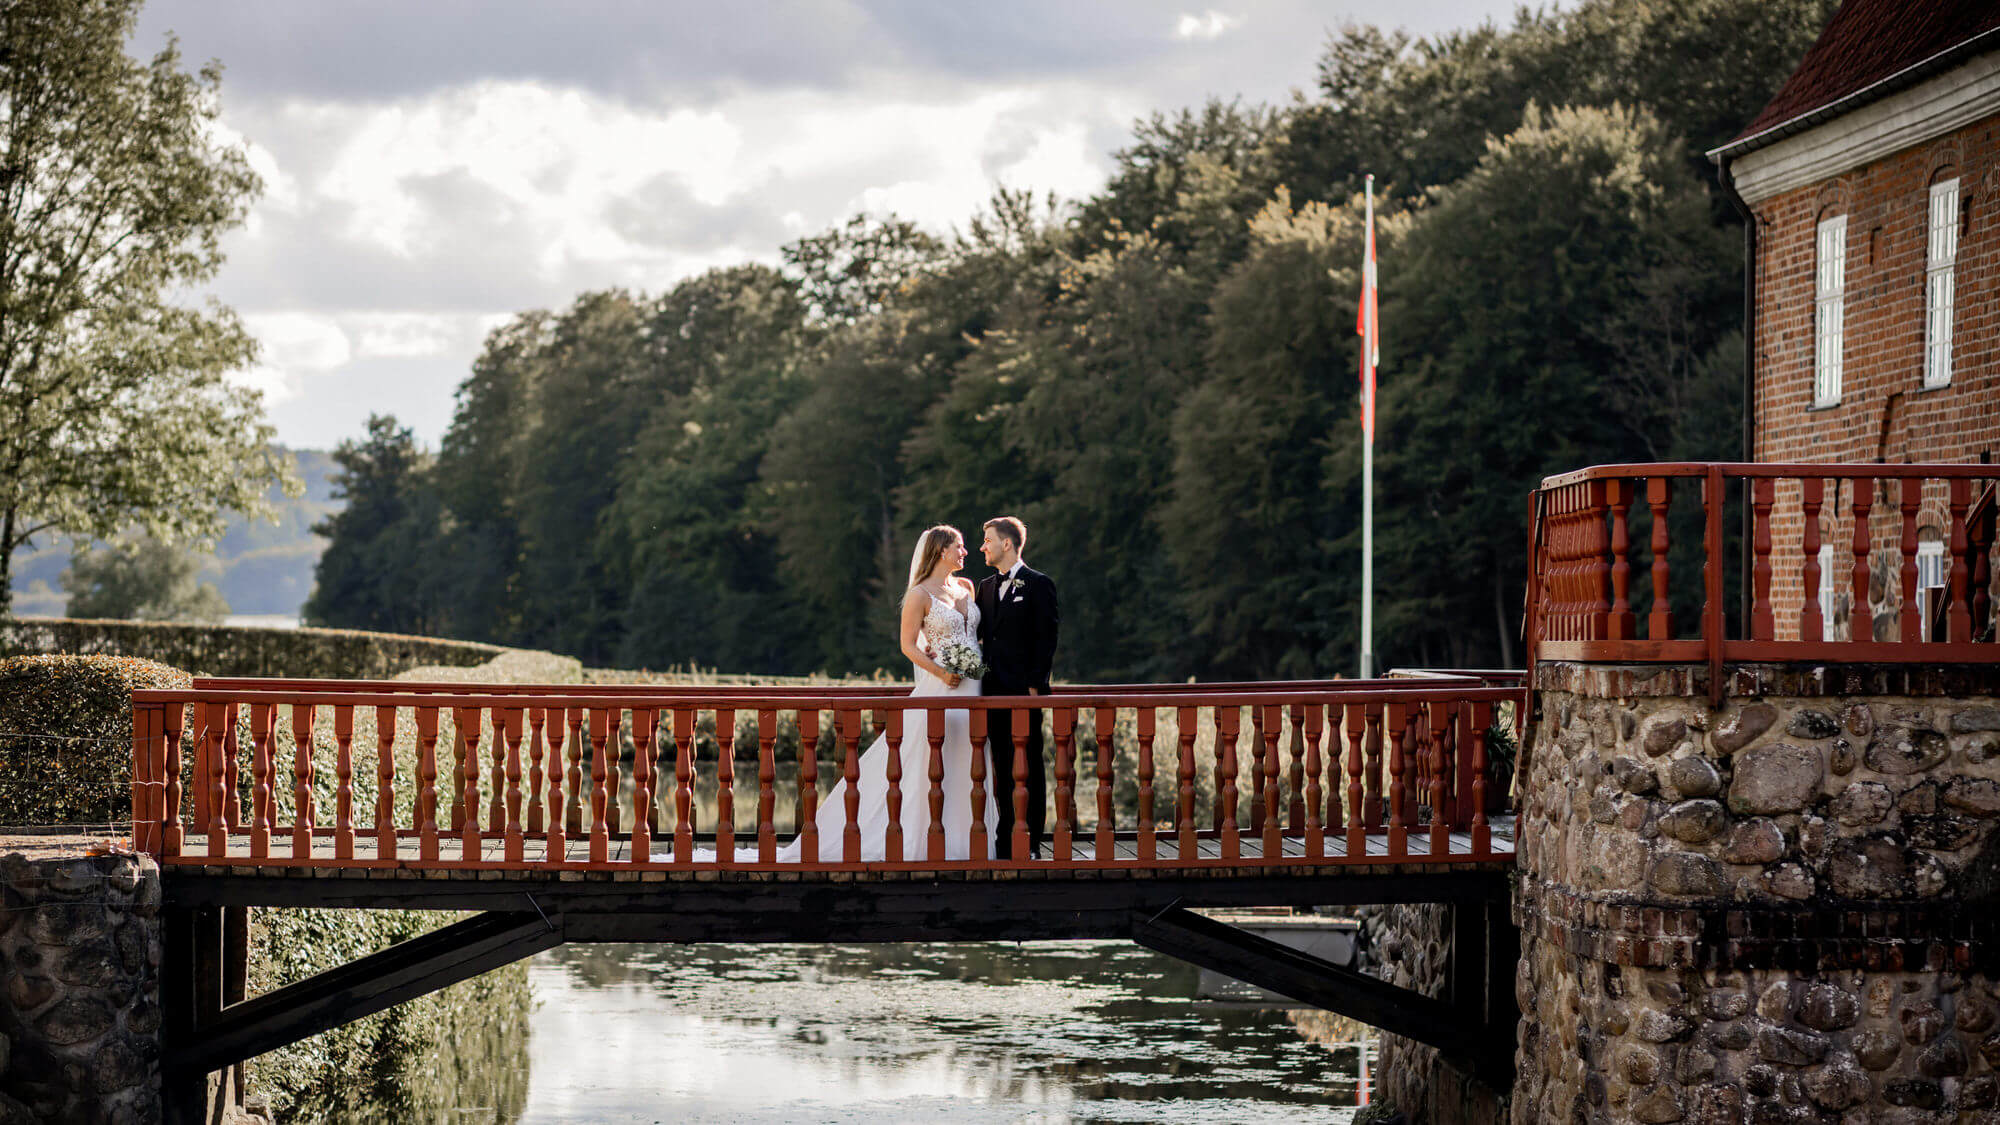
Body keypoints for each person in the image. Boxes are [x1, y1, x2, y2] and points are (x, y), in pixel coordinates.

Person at [768, 525, 999, 862]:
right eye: (959, 546)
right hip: (942, 684)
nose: (965, 552)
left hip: (974, 683)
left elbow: (972, 636)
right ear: (940, 551)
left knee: (969, 758)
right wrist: (940, 672)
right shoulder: (920, 594)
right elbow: (908, 645)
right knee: (933, 760)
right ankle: (929, 840)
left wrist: (973, 660)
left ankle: (967, 842)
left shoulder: (966, 587)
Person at [975, 516, 1059, 860]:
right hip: (991, 694)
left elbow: (1046, 639)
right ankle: (1004, 841)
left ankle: (1031, 842)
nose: (983, 547)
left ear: (1006, 543)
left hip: (1024, 695)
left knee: (1029, 768)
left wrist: (1036, 686)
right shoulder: (985, 587)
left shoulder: (1039, 584)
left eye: (988, 540)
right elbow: (979, 639)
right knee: (1001, 765)